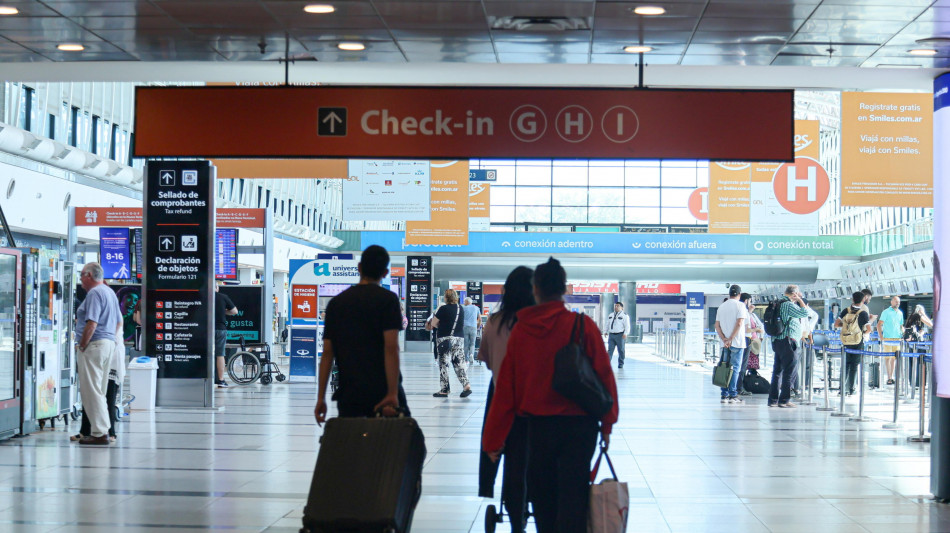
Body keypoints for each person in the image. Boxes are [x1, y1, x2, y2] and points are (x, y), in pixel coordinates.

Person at [483, 257, 619, 533]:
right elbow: (605, 377)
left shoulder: (522, 332)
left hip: (539, 429)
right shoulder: (583, 326)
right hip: (580, 429)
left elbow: (506, 391)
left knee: (543, 500)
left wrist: (493, 439)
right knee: (574, 498)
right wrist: (607, 424)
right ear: (564, 288)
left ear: (536, 289)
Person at [314, 245, 407, 423]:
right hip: (382, 388)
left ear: (359, 268)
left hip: (349, 390)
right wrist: (392, 392)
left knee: (352, 438)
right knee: (393, 438)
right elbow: (391, 348)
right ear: (385, 273)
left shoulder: (336, 304)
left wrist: (321, 398)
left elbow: (327, 354)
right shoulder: (388, 300)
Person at [477, 266, 534, 530]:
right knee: (527, 459)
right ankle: (528, 505)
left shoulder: (494, 321)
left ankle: (510, 513)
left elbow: (488, 361)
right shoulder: (538, 322)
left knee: (499, 450)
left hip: (501, 397)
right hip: (534, 401)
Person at [74, 262, 122, 445]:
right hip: (107, 344)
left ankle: (100, 433)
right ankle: (102, 430)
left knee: (91, 390)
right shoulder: (110, 292)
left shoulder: (94, 293)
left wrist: (82, 345)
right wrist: (110, 338)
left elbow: (92, 323)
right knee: (100, 390)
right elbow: (119, 321)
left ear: (89, 275)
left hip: (94, 345)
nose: (80, 279)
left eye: (81, 275)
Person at [72, 318, 125, 443]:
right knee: (90, 394)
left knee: (107, 397)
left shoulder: (109, 317)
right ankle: (86, 431)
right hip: (101, 353)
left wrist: (83, 345)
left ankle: (110, 432)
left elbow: (118, 323)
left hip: (108, 355)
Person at [767, 285, 811, 408]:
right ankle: (784, 400)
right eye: (798, 294)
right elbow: (805, 312)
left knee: (777, 371)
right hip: (788, 341)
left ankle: (773, 400)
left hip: (777, 340)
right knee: (789, 371)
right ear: (794, 294)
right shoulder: (788, 305)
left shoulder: (778, 303)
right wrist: (800, 300)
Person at [430, 289, 472, 398]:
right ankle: (466, 385)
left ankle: (444, 390)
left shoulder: (443, 308)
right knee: (459, 363)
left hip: (445, 339)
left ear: (446, 297)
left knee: (444, 364)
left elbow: (433, 323)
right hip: (459, 339)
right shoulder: (460, 308)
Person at [715, 285, 748, 404]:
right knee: (735, 369)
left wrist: (724, 339)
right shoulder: (741, 305)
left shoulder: (722, 306)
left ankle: (724, 394)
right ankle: (733, 395)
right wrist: (730, 339)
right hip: (737, 343)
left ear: (729, 294)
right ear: (739, 294)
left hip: (724, 344)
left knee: (724, 368)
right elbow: (739, 323)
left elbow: (717, 325)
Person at [835, 291, 872, 395]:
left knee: (845, 365)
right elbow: (869, 329)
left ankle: (842, 388)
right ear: (863, 300)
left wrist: (846, 327)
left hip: (846, 341)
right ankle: (851, 389)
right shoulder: (863, 313)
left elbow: (836, 324)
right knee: (854, 366)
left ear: (852, 299)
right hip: (857, 342)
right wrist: (861, 333)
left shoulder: (845, 311)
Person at [736, 293, 763, 396]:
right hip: (746, 340)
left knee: (737, 364)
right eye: (750, 301)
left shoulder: (737, 309)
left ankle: (735, 387)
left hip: (737, 340)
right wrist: (756, 330)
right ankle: (739, 388)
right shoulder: (743, 311)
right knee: (742, 365)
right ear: (746, 300)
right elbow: (747, 329)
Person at [214, 283, 239, 388]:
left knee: (205, 353)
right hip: (220, 329)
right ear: (217, 287)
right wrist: (223, 311)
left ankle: (205, 378)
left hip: (205, 329)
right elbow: (235, 311)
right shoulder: (223, 297)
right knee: (220, 354)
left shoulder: (203, 296)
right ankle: (220, 380)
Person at [904, 305, 933, 388]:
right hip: (918, 343)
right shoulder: (919, 316)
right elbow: (931, 324)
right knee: (920, 362)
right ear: (920, 311)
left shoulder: (911, 317)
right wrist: (924, 314)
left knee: (912, 362)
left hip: (911, 343)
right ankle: (920, 382)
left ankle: (913, 382)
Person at [878, 296, 904, 386]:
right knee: (888, 358)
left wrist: (903, 334)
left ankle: (891, 377)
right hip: (888, 338)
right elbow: (879, 324)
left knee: (894, 359)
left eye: (899, 302)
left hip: (897, 339)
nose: (898, 303)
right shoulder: (886, 312)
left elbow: (901, 326)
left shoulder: (900, 313)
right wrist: (881, 336)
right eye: (896, 301)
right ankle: (889, 377)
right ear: (891, 302)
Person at [603, 301, 630, 369]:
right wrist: (605, 331)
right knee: (610, 350)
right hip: (611, 335)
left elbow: (627, 326)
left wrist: (625, 333)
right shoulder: (611, 315)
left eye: (618, 306)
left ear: (622, 308)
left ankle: (621, 364)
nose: (616, 307)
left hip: (620, 335)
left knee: (621, 350)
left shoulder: (624, 315)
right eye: (615, 306)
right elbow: (607, 324)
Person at [462, 297, 480, 364]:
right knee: (472, 343)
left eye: (464, 301)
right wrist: (477, 327)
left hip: (465, 327)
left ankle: (466, 360)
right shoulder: (476, 308)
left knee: (466, 344)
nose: (464, 303)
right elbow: (480, 319)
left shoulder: (463, 308)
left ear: (467, 302)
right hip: (473, 327)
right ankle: (471, 355)